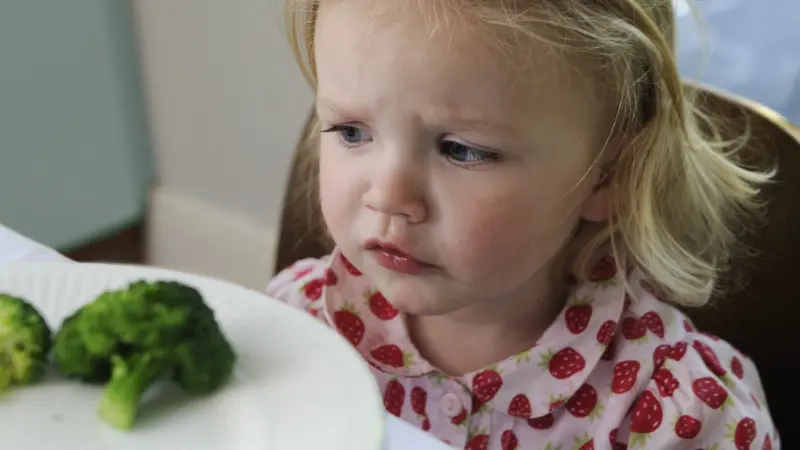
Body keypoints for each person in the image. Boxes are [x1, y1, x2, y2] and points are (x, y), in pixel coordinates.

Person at [267, 0, 781, 448]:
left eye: (461, 149)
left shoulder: (681, 419)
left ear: (607, 174)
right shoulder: (293, 329)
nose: (388, 197)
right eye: (352, 131)